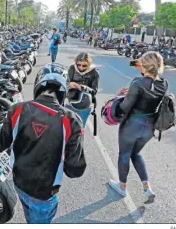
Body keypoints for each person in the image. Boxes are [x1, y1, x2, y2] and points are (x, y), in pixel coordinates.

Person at [0, 63, 86, 224]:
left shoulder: (17, 109)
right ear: (63, 91)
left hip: (19, 184)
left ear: (38, 85)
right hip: (44, 193)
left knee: (29, 215)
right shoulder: (72, 120)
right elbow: (75, 170)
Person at [108, 51, 167, 203]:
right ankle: (147, 188)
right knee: (136, 154)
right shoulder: (164, 83)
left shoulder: (137, 82)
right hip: (149, 127)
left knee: (124, 154)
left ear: (145, 65)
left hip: (132, 125)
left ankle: (122, 187)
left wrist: (118, 97)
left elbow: (125, 107)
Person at [67, 52, 100, 127]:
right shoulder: (72, 68)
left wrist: (84, 88)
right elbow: (64, 83)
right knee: (67, 127)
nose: (81, 67)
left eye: (84, 65)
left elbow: (94, 91)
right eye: (79, 65)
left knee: (80, 128)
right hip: (71, 102)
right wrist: (70, 84)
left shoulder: (94, 72)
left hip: (85, 105)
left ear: (89, 65)